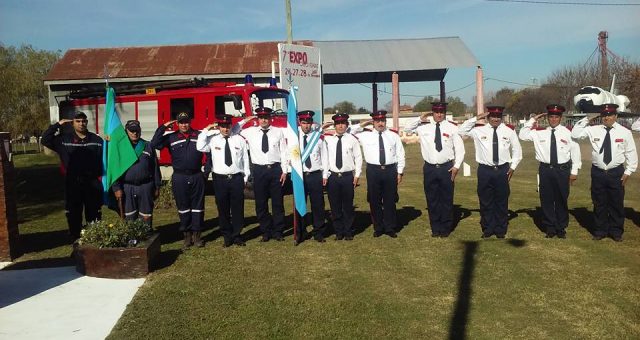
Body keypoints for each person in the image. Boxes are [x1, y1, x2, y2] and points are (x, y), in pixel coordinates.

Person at [571, 103, 637, 242]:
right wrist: (587, 119)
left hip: (616, 172)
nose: (607, 118)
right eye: (604, 116)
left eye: (610, 115)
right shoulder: (593, 130)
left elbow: (631, 153)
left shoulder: (625, 132)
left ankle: (616, 231)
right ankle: (600, 231)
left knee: (616, 203)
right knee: (599, 202)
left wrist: (629, 171)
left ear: (616, 116)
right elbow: (575, 133)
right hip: (598, 172)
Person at [459, 106, 522, 239]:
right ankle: (488, 228)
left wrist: (513, 167)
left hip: (502, 170)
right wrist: (477, 118)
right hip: (485, 170)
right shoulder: (478, 130)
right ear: (488, 117)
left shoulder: (509, 131)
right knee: (485, 201)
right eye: (492, 116)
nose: (495, 119)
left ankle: (500, 229)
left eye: (498, 116)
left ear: (502, 117)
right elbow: (461, 130)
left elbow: (517, 150)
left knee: (501, 201)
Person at [519, 105, 581, 238]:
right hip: (545, 170)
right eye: (551, 117)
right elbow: (522, 135)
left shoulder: (568, 133)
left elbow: (576, 153)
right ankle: (550, 227)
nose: (553, 119)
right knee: (546, 199)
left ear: (561, 118)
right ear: (547, 118)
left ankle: (561, 227)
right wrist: (533, 120)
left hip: (562, 170)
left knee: (561, 199)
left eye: (556, 117)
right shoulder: (540, 133)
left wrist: (574, 171)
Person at [404, 102, 465, 237]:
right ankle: (435, 228)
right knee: (432, 199)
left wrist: (456, 166)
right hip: (430, 168)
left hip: (446, 168)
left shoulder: (453, 128)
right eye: (436, 112)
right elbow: (407, 129)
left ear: (444, 113)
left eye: (441, 112)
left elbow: (460, 149)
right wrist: (421, 117)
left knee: (446, 199)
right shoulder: (424, 127)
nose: (439, 114)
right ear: (432, 113)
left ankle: (446, 228)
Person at [42, 111, 104, 240]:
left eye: (84, 121)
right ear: (73, 123)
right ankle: (76, 242)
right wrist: (57, 125)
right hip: (73, 185)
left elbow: (105, 159)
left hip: (92, 184)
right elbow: (45, 139)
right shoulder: (64, 140)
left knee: (94, 215)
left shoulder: (97, 140)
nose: (81, 124)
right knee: (74, 215)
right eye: (78, 121)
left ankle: (95, 242)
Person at [150, 112, 206, 249]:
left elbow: (210, 151)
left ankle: (197, 236)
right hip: (179, 177)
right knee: (183, 207)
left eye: (186, 122)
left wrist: (207, 171)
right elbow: (154, 144)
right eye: (181, 122)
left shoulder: (199, 135)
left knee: (198, 208)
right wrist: (163, 127)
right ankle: (186, 237)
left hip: (197, 175)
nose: (184, 125)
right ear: (177, 124)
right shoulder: (171, 137)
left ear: (190, 122)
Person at [233, 107, 288, 242]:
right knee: (261, 203)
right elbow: (234, 130)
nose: (263, 120)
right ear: (257, 119)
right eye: (261, 117)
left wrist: (285, 170)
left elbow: (284, 152)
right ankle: (265, 231)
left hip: (275, 170)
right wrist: (246, 120)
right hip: (259, 171)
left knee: (277, 202)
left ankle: (278, 231)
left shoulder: (278, 132)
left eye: (266, 117)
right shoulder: (250, 132)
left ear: (270, 118)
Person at [197, 114, 250, 247]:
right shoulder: (213, 140)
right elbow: (200, 146)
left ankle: (237, 235)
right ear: (219, 127)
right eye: (223, 126)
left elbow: (245, 159)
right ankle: (227, 236)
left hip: (236, 178)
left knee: (238, 208)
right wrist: (206, 129)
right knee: (223, 208)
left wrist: (246, 176)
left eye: (227, 126)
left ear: (231, 126)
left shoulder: (239, 139)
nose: (225, 129)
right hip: (220, 180)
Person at [350, 110, 405, 238]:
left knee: (390, 200)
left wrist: (400, 171)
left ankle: (390, 227)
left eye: (382, 121)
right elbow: (349, 131)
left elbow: (400, 154)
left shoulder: (393, 136)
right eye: (377, 121)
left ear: (385, 121)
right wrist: (363, 124)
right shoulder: (365, 135)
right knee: (374, 200)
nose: (380, 123)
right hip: (373, 171)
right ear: (373, 122)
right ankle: (378, 227)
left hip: (390, 170)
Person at [111, 120, 161, 228]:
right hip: (127, 187)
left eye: (137, 130)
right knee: (130, 216)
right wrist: (116, 188)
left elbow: (155, 168)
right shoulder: (121, 148)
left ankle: (146, 239)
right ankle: (131, 240)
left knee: (146, 215)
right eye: (132, 131)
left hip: (146, 187)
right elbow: (115, 168)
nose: (134, 133)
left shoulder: (148, 146)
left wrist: (157, 186)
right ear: (126, 132)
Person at [324, 113, 363, 240]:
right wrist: (325, 175)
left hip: (347, 177)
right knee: (334, 206)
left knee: (347, 205)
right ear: (334, 126)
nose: (340, 126)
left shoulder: (352, 139)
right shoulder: (328, 140)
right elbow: (325, 159)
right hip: (333, 177)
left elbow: (358, 158)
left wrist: (357, 175)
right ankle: (338, 231)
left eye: (343, 123)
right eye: (338, 124)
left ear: (347, 125)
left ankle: (348, 231)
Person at [294, 110, 329, 244]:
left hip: (315, 175)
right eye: (304, 123)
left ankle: (318, 232)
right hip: (299, 176)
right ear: (299, 123)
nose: (306, 125)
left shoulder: (318, 138)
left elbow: (324, 157)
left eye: (308, 123)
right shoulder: (294, 138)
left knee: (318, 205)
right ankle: (300, 232)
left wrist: (325, 174)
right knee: (300, 205)